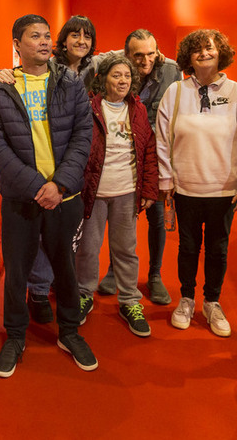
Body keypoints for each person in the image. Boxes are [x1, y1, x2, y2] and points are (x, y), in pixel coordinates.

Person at [0, 14, 97, 377]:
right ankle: (15, 336)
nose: (45, 42)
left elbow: (83, 136)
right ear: (17, 44)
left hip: (63, 196)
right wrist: (35, 187)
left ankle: (69, 332)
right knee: (17, 270)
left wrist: (59, 184)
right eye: (35, 36)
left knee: (65, 267)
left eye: (48, 36)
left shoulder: (70, 82)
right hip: (22, 198)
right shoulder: (1, 87)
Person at [156, 29, 237, 337]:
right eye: (197, 50)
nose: (204, 54)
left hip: (224, 189)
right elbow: (163, 139)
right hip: (185, 188)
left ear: (221, 53)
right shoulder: (175, 93)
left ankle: (212, 301)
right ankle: (186, 299)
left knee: (217, 249)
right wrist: (166, 178)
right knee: (187, 247)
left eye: (210, 48)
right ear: (188, 56)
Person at [75, 54, 158, 337]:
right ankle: (84, 294)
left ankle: (129, 301)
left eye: (126, 76)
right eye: (116, 75)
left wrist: (148, 189)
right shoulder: (88, 108)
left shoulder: (139, 111)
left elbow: (149, 152)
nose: (122, 81)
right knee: (88, 248)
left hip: (126, 191)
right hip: (94, 192)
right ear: (103, 79)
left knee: (125, 250)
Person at [99, 29, 180, 305]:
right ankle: (114, 269)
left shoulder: (171, 71)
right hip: (123, 158)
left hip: (157, 160)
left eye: (151, 53)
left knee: (156, 217)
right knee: (120, 219)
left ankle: (154, 275)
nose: (146, 61)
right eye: (138, 55)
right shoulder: (114, 66)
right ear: (126, 55)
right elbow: (87, 61)